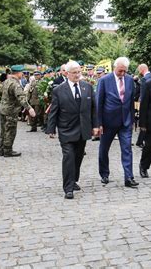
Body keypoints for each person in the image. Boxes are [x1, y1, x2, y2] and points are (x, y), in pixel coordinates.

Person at [46, 61, 98, 199]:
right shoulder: (58, 90)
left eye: (78, 72)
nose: (77, 75)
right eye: (74, 73)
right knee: (68, 157)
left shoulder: (87, 87)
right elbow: (54, 111)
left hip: (83, 128)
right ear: (67, 73)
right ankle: (68, 188)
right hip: (66, 129)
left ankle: (74, 179)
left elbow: (93, 109)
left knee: (78, 156)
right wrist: (51, 128)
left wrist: (96, 126)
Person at [96, 57, 139, 188]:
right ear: (115, 68)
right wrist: (99, 123)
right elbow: (99, 102)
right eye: (120, 71)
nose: (122, 74)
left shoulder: (130, 80)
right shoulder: (104, 80)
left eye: (125, 71)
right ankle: (104, 174)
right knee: (104, 148)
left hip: (125, 121)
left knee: (127, 149)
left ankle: (129, 177)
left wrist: (131, 119)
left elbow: (131, 100)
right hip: (108, 121)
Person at [0, 65, 36, 157]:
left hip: (3, 109)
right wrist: (30, 108)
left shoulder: (6, 81)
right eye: (22, 72)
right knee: (10, 131)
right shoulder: (15, 84)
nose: (23, 74)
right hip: (11, 111)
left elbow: (1, 91)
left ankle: (2, 150)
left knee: (3, 130)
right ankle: (8, 151)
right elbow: (21, 98)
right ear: (18, 73)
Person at [135, 63, 151, 147]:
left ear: (142, 69)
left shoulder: (144, 79)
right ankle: (140, 141)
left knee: (144, 122)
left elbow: (143, 93)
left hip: (146, 104)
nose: (139, 71)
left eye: (139, 69)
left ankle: (141, 141)